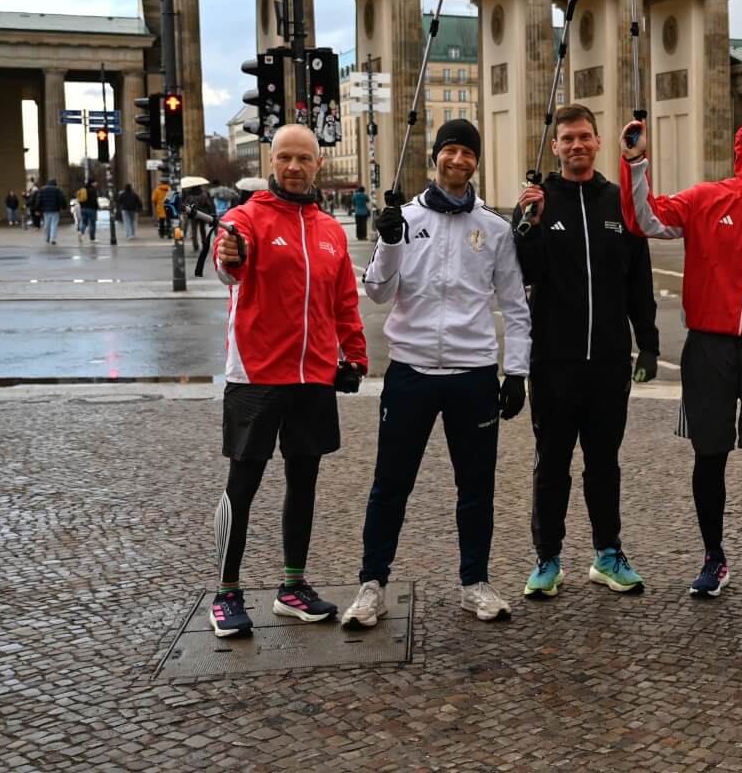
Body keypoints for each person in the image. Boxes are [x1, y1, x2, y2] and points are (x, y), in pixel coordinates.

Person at [620, 107, 742, 603]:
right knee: (709, 455)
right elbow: (645, 220)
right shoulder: (706, 198)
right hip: (710, 347)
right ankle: (713, 557)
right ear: (740, 146)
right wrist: (636, 162)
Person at [341, 119, 529, 629]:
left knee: (476, 486)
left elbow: (514, 304)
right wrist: (389, 243)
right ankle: (372, 584)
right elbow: (378, 292)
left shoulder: (493, 228)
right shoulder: (404, 218)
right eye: (450, 150)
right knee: (390, 484)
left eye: (467, 152)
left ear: (475, 162)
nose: (458, 160)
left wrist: (516, 371)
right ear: (435, 157)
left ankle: (475, 583)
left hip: (473, 374)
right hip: (412, 371)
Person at [208, 124, 367, 638]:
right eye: (284, 158)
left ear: (318, 164)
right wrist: (229, 255)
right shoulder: (245, 218)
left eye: (303, 158)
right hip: (256, 376)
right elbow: (229, 263)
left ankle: (292, 587)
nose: (294, 167)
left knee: (304, 483)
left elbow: (344, 300)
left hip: (313, 376)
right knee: (242, 485)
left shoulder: (331, 230)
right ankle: (226, 593)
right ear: (270, 161)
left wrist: (355, 354)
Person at [513, 104, 660, 599]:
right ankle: (547, 558)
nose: (576, 145)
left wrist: (648, 345)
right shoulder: (538, 201)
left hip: (609, 361)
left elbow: (639, 281)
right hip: (553, 361)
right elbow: (525, 275)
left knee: (604, 463)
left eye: (584, 137)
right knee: (551, 462)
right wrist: (528, 226)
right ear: (555, 146)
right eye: (567, 138)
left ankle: (607, 554)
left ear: (598, 142)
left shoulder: (619, 202)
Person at [35, 178, 67, 245]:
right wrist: (64, 207)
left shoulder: (42, 190)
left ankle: (47, 238)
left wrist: (37, 209)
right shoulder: (57, 190)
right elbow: (62, 199)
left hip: (46, 210)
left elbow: (39, 200)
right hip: (55, 210)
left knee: (47, 224)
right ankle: (53, 239)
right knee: (54, 224)